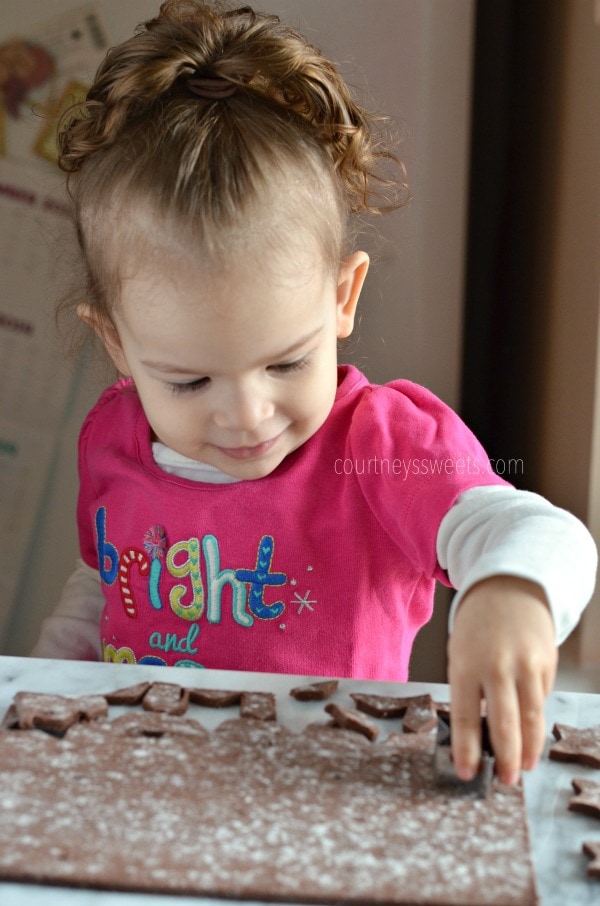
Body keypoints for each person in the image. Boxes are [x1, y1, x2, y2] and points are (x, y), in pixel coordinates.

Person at [32, 0, 596, 789]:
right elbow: (105, 581)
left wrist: (511, 591)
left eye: (287, 364)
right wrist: (42, 689)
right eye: (188, 381)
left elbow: (539, 532)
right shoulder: (113, 437)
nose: (246, 415)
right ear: (116, 343)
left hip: (323, 803)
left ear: (342, 296)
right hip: (144, 791)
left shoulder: (382, 447)